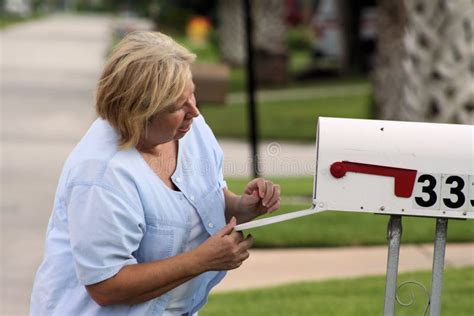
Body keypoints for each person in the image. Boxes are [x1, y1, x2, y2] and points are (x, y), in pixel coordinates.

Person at [30, 31, 281, 315]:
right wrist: (201, 260)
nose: (194, 112)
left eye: (192, 93)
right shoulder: (101, 174)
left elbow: (207, 197)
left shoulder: (190, 130)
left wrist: (242, 207)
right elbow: (106, 286)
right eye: (177, 106)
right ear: (138, 112)